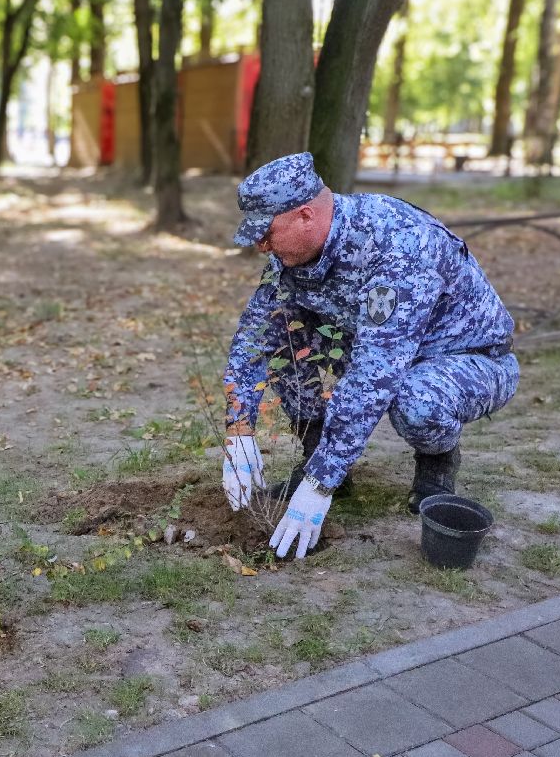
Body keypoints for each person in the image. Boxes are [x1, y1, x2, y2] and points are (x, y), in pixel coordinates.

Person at [220, 153, 519, 558]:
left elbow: (373, 373)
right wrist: (239, 430)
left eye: (267, 232)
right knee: (287, 343)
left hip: (470, 358)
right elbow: (256, 337)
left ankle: (437, 460)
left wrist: (319, 484)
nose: (261, 246)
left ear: (305, 215)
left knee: (416, 401)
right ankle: (317, 454)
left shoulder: (399, 246)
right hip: (383, 350)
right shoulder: (292, 256)